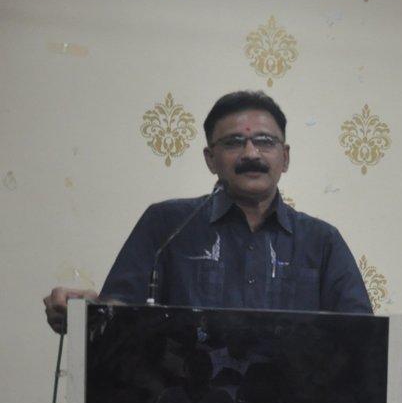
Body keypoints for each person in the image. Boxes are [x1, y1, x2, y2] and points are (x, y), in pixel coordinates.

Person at [43, 90, 371, 333]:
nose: (251, 153)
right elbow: (120, 314)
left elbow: (362, 338)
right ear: (210, 159)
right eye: (233, 142)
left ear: (284, 158)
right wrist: (86, 311)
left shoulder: (321, 241)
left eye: (265, 141)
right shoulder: (166, 225)